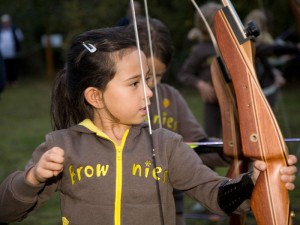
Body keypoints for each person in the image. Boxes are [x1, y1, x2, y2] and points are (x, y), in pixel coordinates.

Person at [0, 26, 297, 225]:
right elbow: (7, 211)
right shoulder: (61, 146)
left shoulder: (166, 145)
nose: (149, 92)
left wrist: (254, 184)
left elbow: (217, 195)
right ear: (95, 96)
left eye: (148, 80)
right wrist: (32, 179)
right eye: (134, 83)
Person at [129, 18, 231, 225]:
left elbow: (198, 145)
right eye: (144, 76)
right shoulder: (114, 101)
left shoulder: (170, 97)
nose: (153, 85)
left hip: (170, 208)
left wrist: (232, 150)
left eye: (158, 76)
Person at [177, 2, 223, 138]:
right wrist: (200, 84)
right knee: (212, 137)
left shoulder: (230, 45)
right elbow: (184, 74)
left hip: (237, 99)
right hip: (213, 101)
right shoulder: (200, 49)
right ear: (209, 26)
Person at [244, 9, 300, 109]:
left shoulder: (261, 40)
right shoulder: (249, 44)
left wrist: (274, 73)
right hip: (256, 87)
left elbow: (265, 58)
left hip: (266, 86)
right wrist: (295, 48)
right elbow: (271, 50)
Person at [0, 14, 24, 87]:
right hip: (2, 53)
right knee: (4, 67)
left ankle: (13, 81)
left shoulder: (15, 29)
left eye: (7, 22)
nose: (5, 23)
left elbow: (20, 38)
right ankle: (6, 81)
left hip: (13, 52)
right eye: (4, 22)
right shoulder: (0, 30)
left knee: (13, 67)